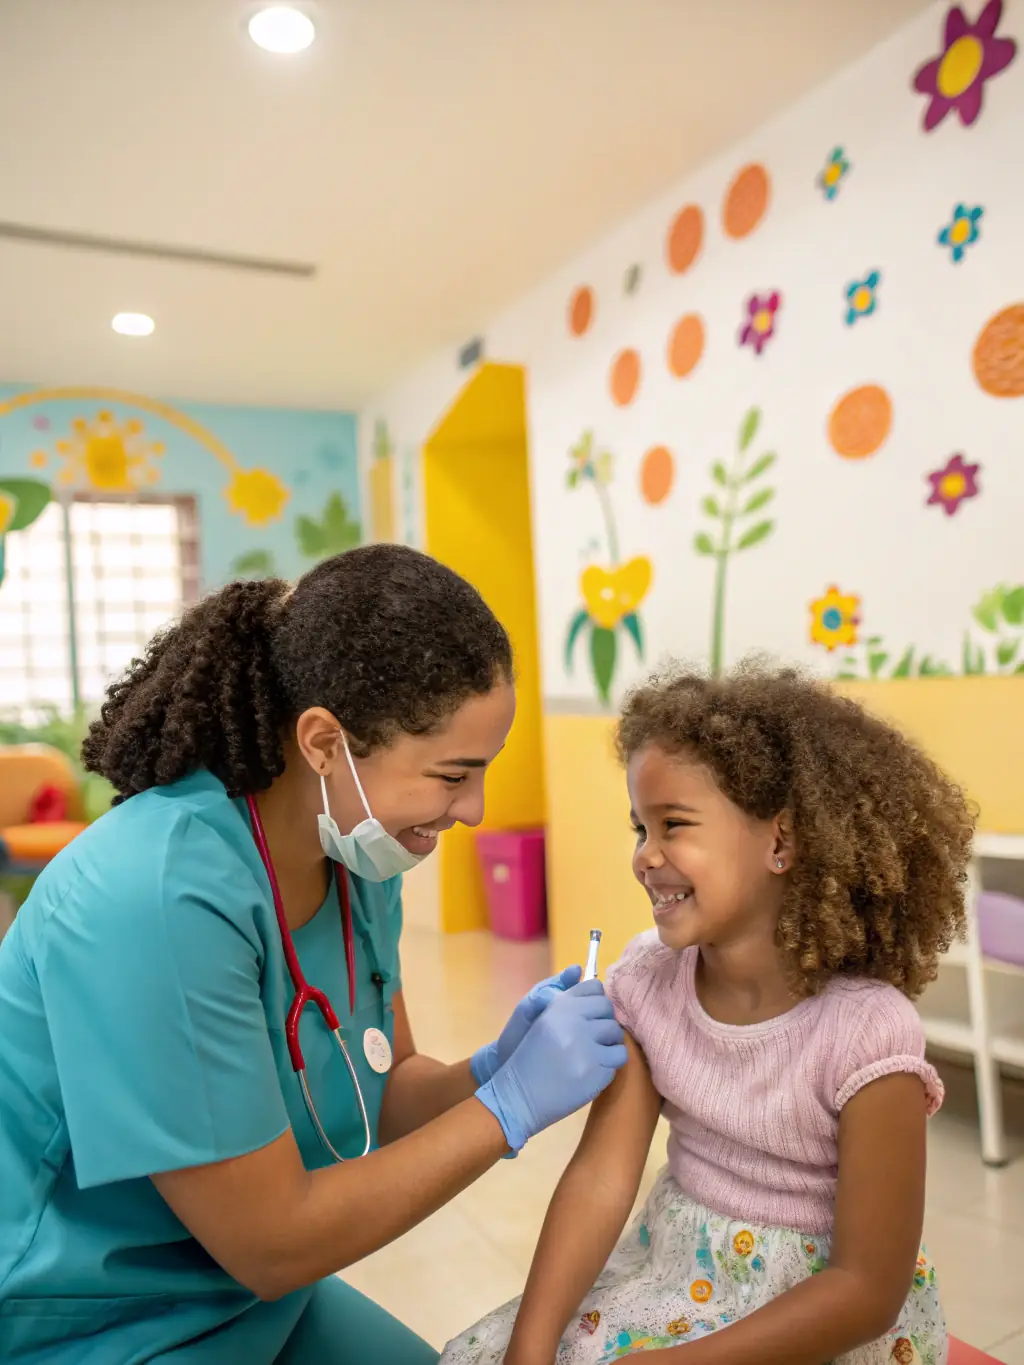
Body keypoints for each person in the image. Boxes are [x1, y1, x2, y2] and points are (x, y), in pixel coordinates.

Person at [0, 544, 627, 1365]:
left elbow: (386, 1093)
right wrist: (505, 1109)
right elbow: (272, 1243)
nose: (471, 810)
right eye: (451, 774)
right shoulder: (157, 896)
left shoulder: (360, 856)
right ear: (325, 741)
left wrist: (489, 1066)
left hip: (238, 1296)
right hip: (86, 1317)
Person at [441, 662, 974, 1365]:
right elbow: (602, 1176)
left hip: (815, 1322)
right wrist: (531, 1349)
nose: (645, 855)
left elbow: (867, 1288)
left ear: (780, 842)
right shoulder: (648, 981)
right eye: (640, 826)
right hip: (676, 1272)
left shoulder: (869, 1035)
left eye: (675, 824)